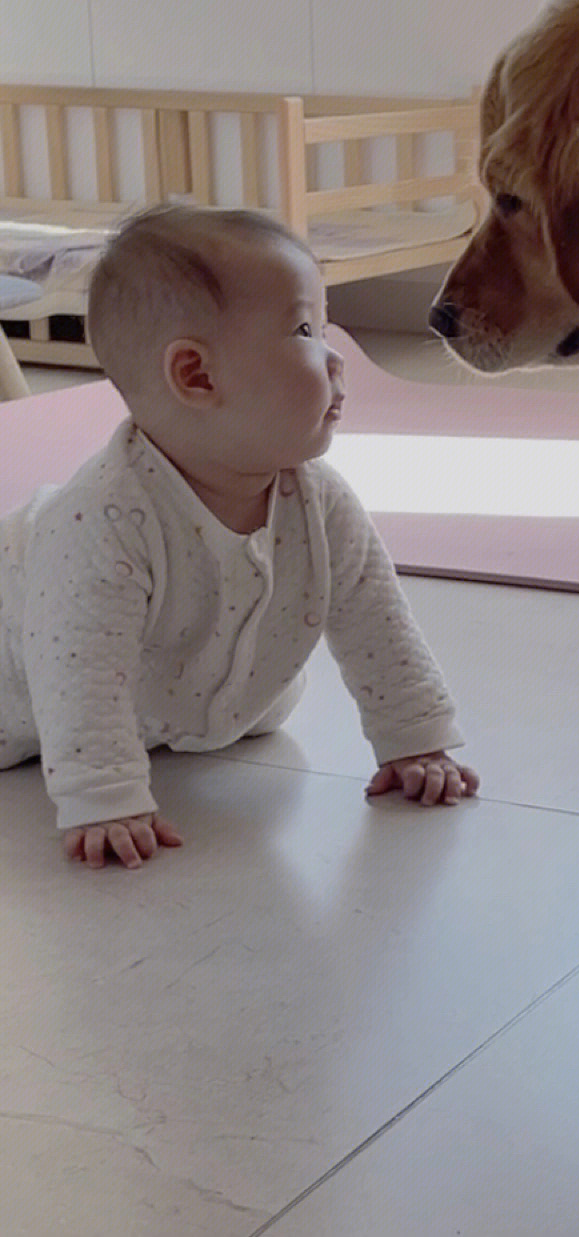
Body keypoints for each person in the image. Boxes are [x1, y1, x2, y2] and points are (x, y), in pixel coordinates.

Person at [0, 204, 478, 869]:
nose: (337, 356)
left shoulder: (319, 498)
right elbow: (75, 662)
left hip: (179, 698)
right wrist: (103, 793)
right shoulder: (101, 521)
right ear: (198, 376)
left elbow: (374, 616)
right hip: (18, 673)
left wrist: (415, 736)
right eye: (305, 329)